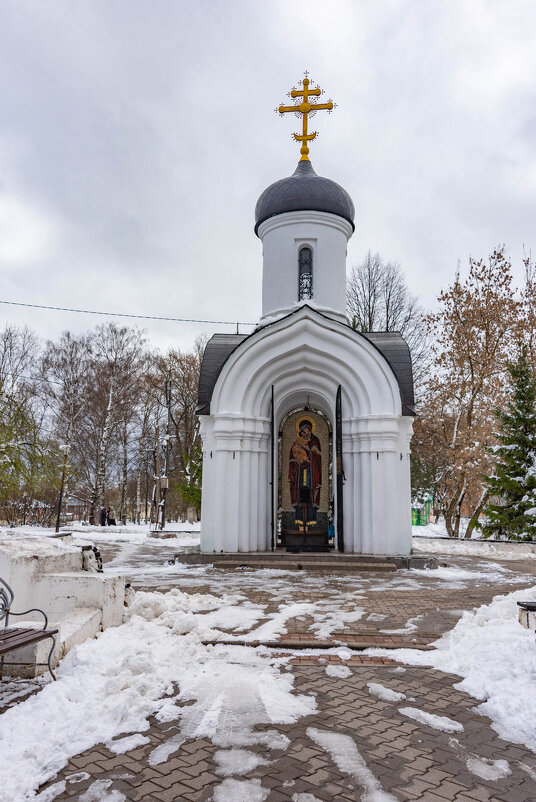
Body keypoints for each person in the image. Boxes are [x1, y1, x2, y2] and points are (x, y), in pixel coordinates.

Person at [288, 418, 322, 526]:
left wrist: (310, 452)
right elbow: (291, 458)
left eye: (307, 430)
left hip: (311, 473)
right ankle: (299, 520)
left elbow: (317, 458)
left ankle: (311, 520)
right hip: (299, 473)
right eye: (303, 430)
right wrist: (298, 460)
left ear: (310, 429)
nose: (305, 432)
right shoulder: (297, 441)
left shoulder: (315, 441)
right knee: (299, 495)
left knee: (311, 495)